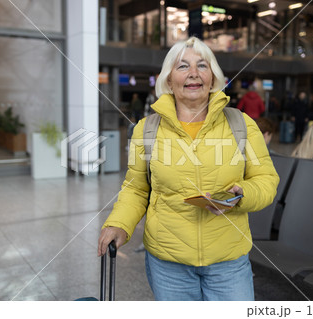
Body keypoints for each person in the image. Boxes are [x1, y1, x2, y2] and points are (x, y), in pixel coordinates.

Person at [98, 37, 279, 301]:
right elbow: (137, 188)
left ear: (213, 78)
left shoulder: (241, 124)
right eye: (183, 66)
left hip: (228, 261)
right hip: (168, 263)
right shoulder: (147, 130)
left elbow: (266, 178)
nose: (193, 73)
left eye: (202, 66)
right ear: (169, 79)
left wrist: (243, 193)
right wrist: (119, 224)